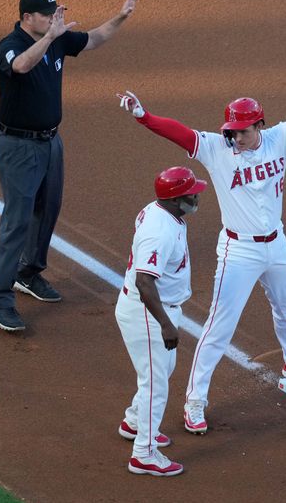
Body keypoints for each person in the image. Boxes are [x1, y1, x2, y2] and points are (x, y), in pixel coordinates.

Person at [117, 56, 286, 434]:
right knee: (219, 327)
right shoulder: (216, 148)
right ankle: (195, 401)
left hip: (277, 244)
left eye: (243, 130)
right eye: (232, 130)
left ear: (259, 125)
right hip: (238, 251)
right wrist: (143, 116)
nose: (236, 137)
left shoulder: (278, 138)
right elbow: (178, 132)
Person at [0, 0, 140, 332]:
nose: (54, 18)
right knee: (17, 221)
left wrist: (121, 16)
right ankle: (0, 301)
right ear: (28, 18)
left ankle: (28, 274)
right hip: (19, 147)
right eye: (47, 14)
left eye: (56, 13)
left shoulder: (55, 38)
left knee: (48, 210)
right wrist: (51, 37)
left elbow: (94, 39)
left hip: (50, 142)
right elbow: (22, 66)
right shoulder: (11, 44)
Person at [116, 166, 208, 476]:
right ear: (174, 199)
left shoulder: (162, 213)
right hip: (149, 311)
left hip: (156, 307)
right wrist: (166, 324)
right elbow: (145, 282)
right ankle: (143, 453)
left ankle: (134, 421)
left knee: (162, 370)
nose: (196, 196)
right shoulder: (161, 231)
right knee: (156, 382)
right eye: (190, 193)